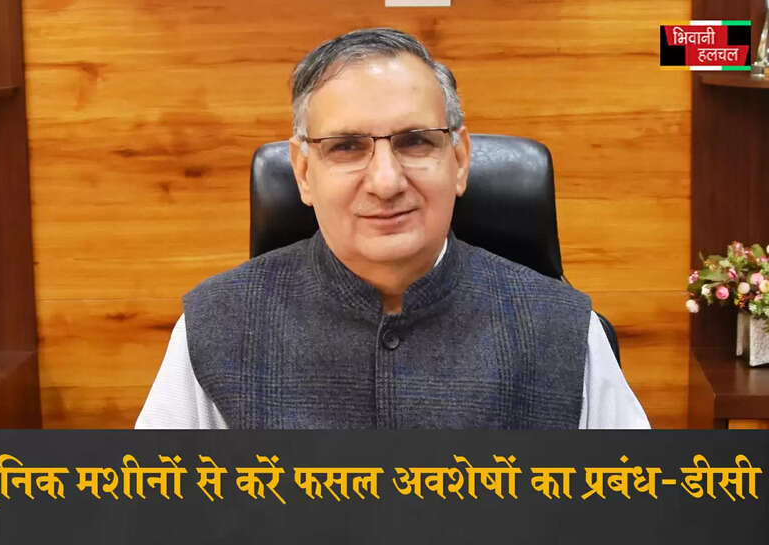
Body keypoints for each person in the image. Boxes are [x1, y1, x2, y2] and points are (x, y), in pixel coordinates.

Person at [135, 28, 648, 429]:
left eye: (415, 141)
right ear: (304, 172)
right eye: (346, 147)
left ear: (460, 160)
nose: (385, 181)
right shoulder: (214, 326)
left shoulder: (567, 331)